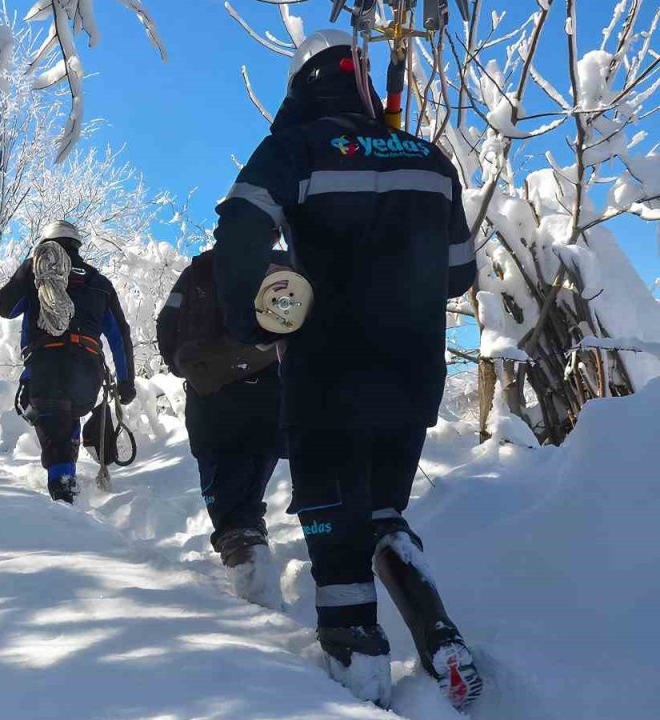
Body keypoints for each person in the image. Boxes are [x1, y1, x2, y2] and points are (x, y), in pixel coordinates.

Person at [209, 30, 481, 709]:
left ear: (302, 87)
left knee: (333, 524)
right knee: (384, 510)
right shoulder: (430, 158)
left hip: (327, 376)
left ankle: (359, 669)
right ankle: (437, 630)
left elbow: (239, 227)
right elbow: (459, 274)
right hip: (412, 376)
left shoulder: (295, 149)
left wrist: (252, 318)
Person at [156, 248, 288, 608]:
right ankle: (260, 575)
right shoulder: (286, 266)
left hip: (212, 399)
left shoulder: (201, 269)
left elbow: (167, 325)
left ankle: (261, 607)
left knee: (230, 512)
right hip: (274, 397)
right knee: (248, 496)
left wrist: (185, 365)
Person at [0, 220, 136, 503]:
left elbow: (4, 307)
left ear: (45, 244)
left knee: (53, 424)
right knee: (67, 418)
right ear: (77, 244)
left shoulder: (36, 274)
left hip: (46, 365)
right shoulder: (99, 283)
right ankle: (67, 478)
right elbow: (119, 335)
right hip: (87, 370)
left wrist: (27, 270)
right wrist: (125, 381)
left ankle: (63, 493)